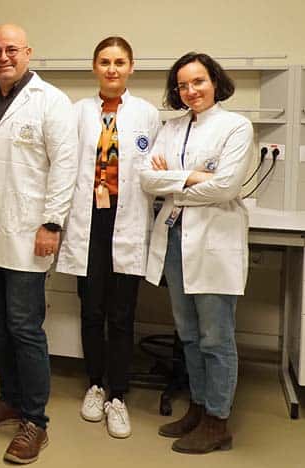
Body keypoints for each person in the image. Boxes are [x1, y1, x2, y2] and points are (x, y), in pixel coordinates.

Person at [0, 24, 77, 464]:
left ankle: (35, 421)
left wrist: (52, 223)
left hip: (26, 231)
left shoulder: (51, 101)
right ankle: (10, 399)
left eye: (11, 49)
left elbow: (65, 167)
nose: (3, 57)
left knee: (24, 326)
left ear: (28, 52)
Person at [140, 52, 252, 454]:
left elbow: (226, 187)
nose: (191, 91)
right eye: (183, 85)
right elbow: (146, 178)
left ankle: (218, 421)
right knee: (187, 334)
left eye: (198, 81)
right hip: (174, 238)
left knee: (215, 337)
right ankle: (199, 407)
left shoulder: (236, 126)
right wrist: (191, 176)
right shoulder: (171, 128)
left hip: (213, 240)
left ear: (215, 82)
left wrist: (173, 183)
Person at [56, 36, 161, 439]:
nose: (112, 69)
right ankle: (95, 385)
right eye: (105, 61)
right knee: (91, 310)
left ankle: (118, 395)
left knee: (121, 314)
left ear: (131, 66)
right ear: (94, 67)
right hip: (89, 222)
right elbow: (65, 165)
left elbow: (156, 168)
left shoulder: (147, 114)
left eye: (119, 62)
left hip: (127, 219)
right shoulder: (78, 112)